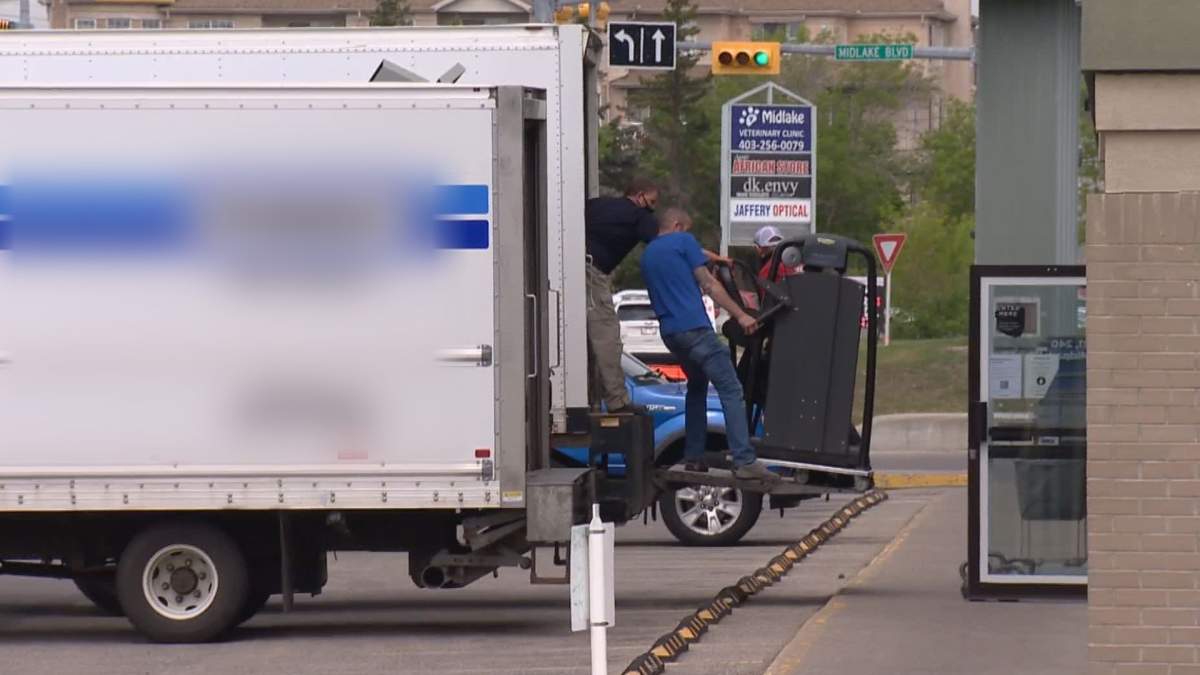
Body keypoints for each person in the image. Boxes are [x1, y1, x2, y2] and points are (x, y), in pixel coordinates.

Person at [640, 207, 779, 482]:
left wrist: (717, 258)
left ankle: (694, 457)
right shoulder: (683, 241)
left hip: (671, 334)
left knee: (697, 386)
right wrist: (740, 315)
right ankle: (744, 459)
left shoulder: (650, 254)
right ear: (679, 226)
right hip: (695, 329)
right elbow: (709, 285)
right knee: (731, 388)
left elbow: (697, 253)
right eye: (688, 230)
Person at [585, 178, 725, 413]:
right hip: (592, 272)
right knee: (606, 334)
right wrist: (719, 259)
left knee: (585, 338)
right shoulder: (639, 217)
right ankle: (618, 401)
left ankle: (591, 398)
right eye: (651, 202)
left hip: (568, 270)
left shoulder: (598, 204)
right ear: (639, 197)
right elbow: (671, 245)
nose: (652, 208)